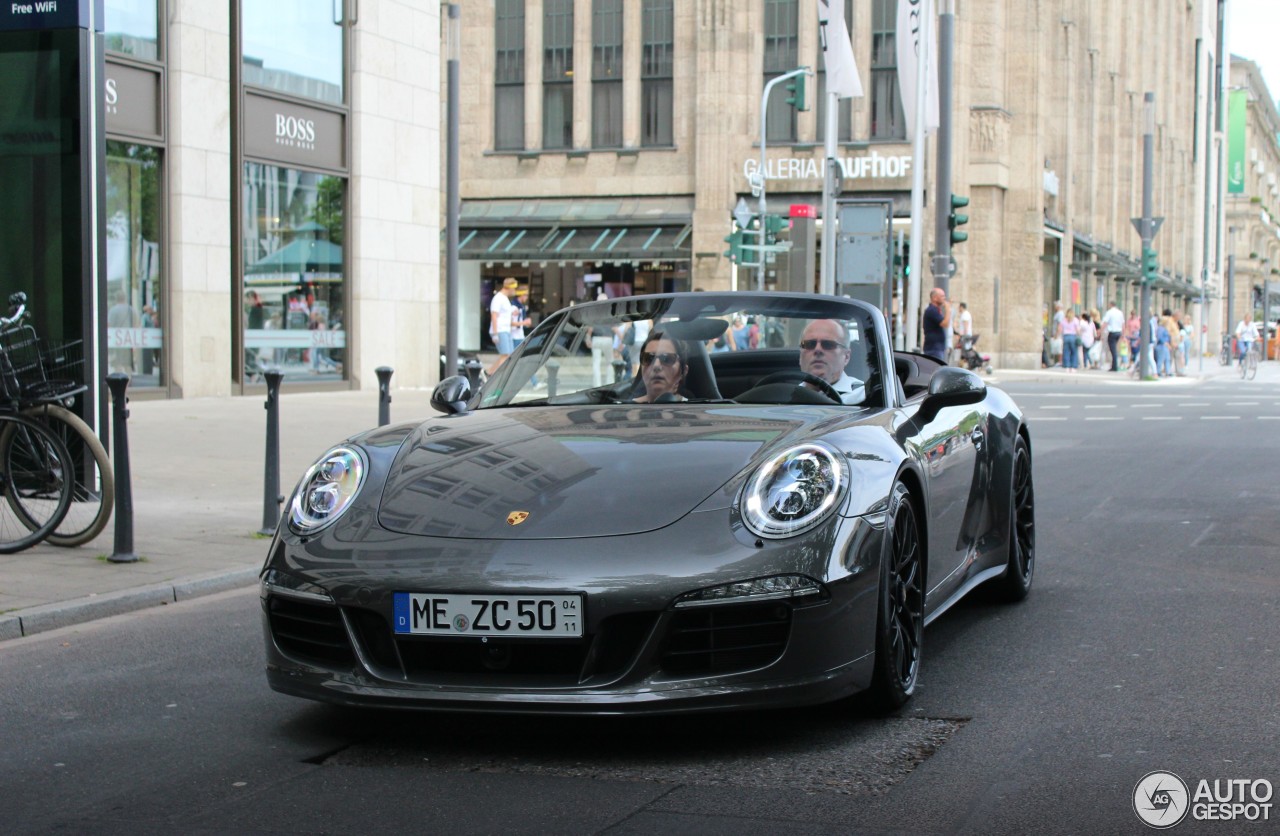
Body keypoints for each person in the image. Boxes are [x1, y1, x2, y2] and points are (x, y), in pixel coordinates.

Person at [798, 319, 864, 404]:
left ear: (846, 357)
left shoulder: (864, 395)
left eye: (828, 344)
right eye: (810, 344)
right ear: (800, 356)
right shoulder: (786, 394)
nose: (817, 349)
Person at [632, 330, 688, 403]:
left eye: (667, 358)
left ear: (683, 371)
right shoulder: (625, 410)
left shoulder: (695, 411)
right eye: (648, 358)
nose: (656, 365)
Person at [486, 278, 518, 376]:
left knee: (508, 355)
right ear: (510, 287)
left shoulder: (505, 299)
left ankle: (489, 372)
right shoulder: (498, 298)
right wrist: (495, 334)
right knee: (505, 355)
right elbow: (494, 316)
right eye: (514, 288)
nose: (515, 291)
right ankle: (496, 376)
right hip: (500, 330)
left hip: (505, 330)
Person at [107, 290, 139, 373]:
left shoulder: (113, 310)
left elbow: (109, 325)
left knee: (117, 364)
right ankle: (128, 381)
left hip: (117, 341)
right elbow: (137, 324)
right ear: (125, 298)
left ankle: (119, 383)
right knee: (128, 364)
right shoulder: (131, 309)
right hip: (128, 340)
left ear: (116, 299)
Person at [922, 287, 951, 363]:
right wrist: (948, 310)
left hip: (937, 348)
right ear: (934, 298)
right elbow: (945, 324)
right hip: (934, 349)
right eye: (942, 296)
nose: (944, 298)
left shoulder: (935, 310)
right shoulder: (932, 310)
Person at [1101, 301, 1125, 371]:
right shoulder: (1120, 313)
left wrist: (1100, 331)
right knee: (1114, 349)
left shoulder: (1109, 312)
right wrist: (1123, 334)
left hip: (1112, 332)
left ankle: (1114, 366)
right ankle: (1114, 364)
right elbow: (1123, 324)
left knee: (1113, 350)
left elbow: (1105, 322)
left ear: (1110, 305)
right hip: (1118, 332)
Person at [1058, 307, 1080, 373]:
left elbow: (1060, 329)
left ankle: (1067, 366)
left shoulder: (1063, 320)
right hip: (1073, 336)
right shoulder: (1075, 320)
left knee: (1066, 352)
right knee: (1074, 352)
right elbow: (1078, 330)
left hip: (1066, 336)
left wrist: (1058, 335)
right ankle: (1073, 367)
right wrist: (1078, 335)